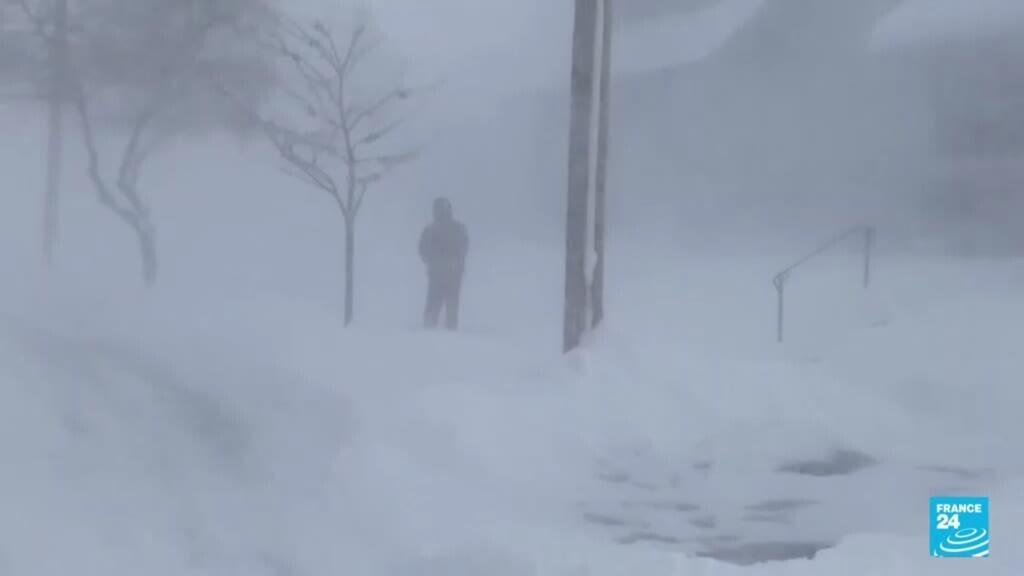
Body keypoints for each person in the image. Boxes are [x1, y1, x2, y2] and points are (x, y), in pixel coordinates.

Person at [419, 197, 469, 330]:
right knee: (449, 308)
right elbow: (464, 248)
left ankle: (428, 333)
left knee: (433, 308)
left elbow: (422, 251)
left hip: (440, 275)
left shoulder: (430, 230)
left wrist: (434, 261)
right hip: (451, 275)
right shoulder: (458, 228)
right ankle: (448, 332)